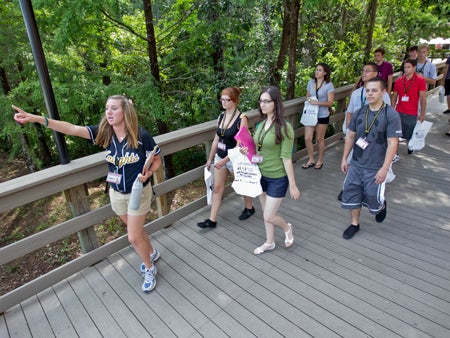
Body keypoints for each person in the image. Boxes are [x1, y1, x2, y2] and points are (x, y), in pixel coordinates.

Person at [12, 95, 162, 293]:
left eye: (114, 108)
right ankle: (151, 252)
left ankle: (150, 268)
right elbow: (71, 128)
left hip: (138, 193)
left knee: (133, 237)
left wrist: (149, 173)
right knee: (136, 231)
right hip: (116, 193)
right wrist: (38, 119)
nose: (108, 112)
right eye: (107, 108)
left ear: (125, 111)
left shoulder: (141, 136)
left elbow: (157, 160)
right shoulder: (105, 134)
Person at [341, 77, 402, 240]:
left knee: (372, 199)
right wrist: (344, 158)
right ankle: (355, 223)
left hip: (376, 166)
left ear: (383, 92)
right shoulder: (360, 112)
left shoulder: (390, 114)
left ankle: (381, 205)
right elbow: (350, 136)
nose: (370, 93)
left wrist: (384, 168)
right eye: (367, 90)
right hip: (356, 164)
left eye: (374, 90)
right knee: (352, 194)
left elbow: (392, 143)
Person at [244, 86, 300, 254]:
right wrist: (246, 151)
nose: (263, 104)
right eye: (261, 101)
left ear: (276, 103)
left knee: (269, 215)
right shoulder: (260, 124)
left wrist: (293, 184)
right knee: (265, 213)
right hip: (260, 175)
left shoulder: (284, 127)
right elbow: (257, 148)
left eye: (267, 101)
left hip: (277, 177)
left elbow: (286, 157)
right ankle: (269, 242)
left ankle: (287, 227)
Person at [197, 86, 255, 229]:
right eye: (221, 99)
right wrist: (210, 158)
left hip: (235, 158)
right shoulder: (221, 117)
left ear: (234, 101)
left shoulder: (242, 119)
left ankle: (249, 208)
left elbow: (240, 145)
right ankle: (212, 220)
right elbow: (216, 139)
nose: (223, 102)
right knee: (217, 188)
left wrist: (225, 160)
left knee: (241, 186)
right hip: (220, 157)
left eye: (226, 99)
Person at [338, 62, 392, 201]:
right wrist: (350, 130)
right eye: (363, 70)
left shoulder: (383, 95)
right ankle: (346, 188)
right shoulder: (356, 93)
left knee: (371, 165)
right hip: (357, 134)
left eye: (368, 71)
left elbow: (387, 116)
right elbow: (350, 112)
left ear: (375, 74)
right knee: (350, 161)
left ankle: (374, 194)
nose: (364, 73)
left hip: (375, 138)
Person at [302, 62, 335, 170]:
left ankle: (320, 160)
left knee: (320, 139)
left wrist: (318, 102)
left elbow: (330, 103)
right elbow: (307, 97)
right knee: (307, 138)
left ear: (325, 73)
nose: (317, 72)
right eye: (316, 69)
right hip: (311, 114)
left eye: (320, 70)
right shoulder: (311, 82)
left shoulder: (329, 85)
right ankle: (311, 159)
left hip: (322, 114)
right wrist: (309, 100)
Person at [391, 59, 427, 154]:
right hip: (399, 111)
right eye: (405, 67)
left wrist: (422, 113)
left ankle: (410, 146)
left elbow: (423, 98)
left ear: (414, 68)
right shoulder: (399, 81)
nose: (406, 69)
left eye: (408, 67)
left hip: (412, 112)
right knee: (396, 134)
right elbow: (394, 96)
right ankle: (395, 153)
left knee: (409, 134)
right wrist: (392, 110)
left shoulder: (420, 81)